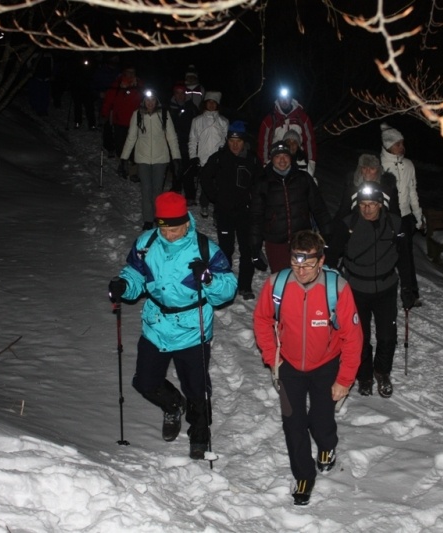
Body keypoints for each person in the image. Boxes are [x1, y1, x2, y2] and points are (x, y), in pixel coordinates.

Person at [107, 192, 238, 459]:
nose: (168, 235)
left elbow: (227, 291)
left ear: (186, 222)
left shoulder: (205, 249)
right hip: (156, 325)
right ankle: (173, 405)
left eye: (174, 229)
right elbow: (135, 273)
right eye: (164, 228)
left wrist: (209, 279)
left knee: (197, 389)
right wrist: (124, 285)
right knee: (145, 382)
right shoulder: (146, 243)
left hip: (192, 329)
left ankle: (199, 435)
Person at [253, 230, 363, 506]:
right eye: (295, 263)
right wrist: (272, 356)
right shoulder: (277, 285)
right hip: (288, 366)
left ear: (321, 260)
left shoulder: (337, 289)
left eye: (308, 265)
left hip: (326, 365)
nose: (300, 271)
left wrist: (345, 379)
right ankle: (303, 475)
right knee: (293, 422)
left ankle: (326, 445)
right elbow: (262, 320)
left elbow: (353, 337)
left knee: (321, 418)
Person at [326, 182, 415, 398]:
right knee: (360, 337)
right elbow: (331, 257)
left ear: (380, 204)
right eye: (363, 204)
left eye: (372, 204)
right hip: (356, 289)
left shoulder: (395, 224)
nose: (367, 209)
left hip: (386, 287)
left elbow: (405, 258)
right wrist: (329, 287)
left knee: (387, 336)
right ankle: (364, 376)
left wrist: (409, 288)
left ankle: (382, 372)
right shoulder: (348, 224)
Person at [199, 121, 262, 300]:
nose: (235, 145)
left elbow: (261, 184)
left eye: (238, 141)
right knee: (226, 249)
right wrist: (215, 197)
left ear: (244, 142)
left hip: (245, 213)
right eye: (231, 141)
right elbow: (205, 176)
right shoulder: (219, 158)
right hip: (225, 212)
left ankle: (245, 286)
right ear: (227, 141)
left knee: (247, 250)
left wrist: (255, 203)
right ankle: (224, 284)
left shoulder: (252, 159)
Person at [249, 141, 332, 273]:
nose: (282, 160)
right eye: (277, 156)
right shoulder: (263, 183)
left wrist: (327, 235)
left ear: (290, 158)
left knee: (303, 276)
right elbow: (256, 216)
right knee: (281, 279)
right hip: (276, 242)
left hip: (302, 240)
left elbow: (319, 208)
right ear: (272, 159)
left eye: (285, 156)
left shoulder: (304, 179)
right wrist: (255, 247)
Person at [120, 88, 181, 230]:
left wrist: (176, 158)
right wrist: (124, 158)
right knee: (146, 189)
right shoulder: (137, 115)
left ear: (157, 101)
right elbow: (131, 137)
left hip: (161, 158)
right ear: (143, 101)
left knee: (157, 191)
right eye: (147, 100)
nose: (150, 103)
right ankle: (148, 219)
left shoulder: (164, 114)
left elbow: (172, 137)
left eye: (153, 100)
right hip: (143, 158)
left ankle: (158, 217)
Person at [380, 123, 424, 307]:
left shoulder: (408, 165)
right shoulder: (380, 166)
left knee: (406, 256)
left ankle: (410, 294)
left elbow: (412, 191)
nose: (402, 147)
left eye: (402, 143)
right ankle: (381, 291)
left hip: (404, 217)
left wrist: (418, 216)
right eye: (398, 144)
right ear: (389, 145)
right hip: (385, 217)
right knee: (384, 254)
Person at [258, 87, 317, 176]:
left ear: (291, 98)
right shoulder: (270, 120)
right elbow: (263, 144)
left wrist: (311, 163)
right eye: (281, 98)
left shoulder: (302, 117)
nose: (284, 101)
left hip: (299, 160)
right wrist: (265, 163)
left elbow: (309, 141)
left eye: (287, 97)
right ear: (278, 98)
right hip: (278, 160)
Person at [188, 91, 228, 218]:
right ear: (205, 103)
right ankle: (204, 204)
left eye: (214, 102)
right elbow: (193, 140)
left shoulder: (223, 121)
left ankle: (218, 210)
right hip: (203, 158)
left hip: (218, 158)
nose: (211, 104)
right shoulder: (197, 120)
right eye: (209, 102)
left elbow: (225, 140)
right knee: (205, 183)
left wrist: (223, 154)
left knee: (219, 185)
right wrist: (193, 156)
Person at [100, 66, 143, 176]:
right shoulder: (117, 84)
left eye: (133, 72)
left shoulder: (139, 85)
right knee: (120, 144)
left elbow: (146, 101)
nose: (130, 74)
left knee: (134, 145)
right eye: (128, 72)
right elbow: (109, 100)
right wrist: (105, 113)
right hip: (119, 121)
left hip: (134, 121)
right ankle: (123, 164)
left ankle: (133, 168)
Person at [334, 153, 400, 221]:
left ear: (378, 170)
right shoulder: (352, 187)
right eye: (364, 168)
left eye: (372, 168)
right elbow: (343, 212)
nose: (367, 172)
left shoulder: (388, 187)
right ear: (360, 169)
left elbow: (395, 214)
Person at [168, 83, 200, 201]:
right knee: (175, 168)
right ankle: (176, 189)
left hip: (187, 143)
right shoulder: (169, 108)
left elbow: (197, 125)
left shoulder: (191, 107)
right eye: (177, 93)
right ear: (174, 94)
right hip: (173, 143)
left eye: (182, 93)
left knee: (187, 169)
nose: (180, 96)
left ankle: (190, 195)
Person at [67, 54, 97, 130]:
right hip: (77, 86)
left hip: (87, 87)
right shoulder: (74, 58)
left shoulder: (90, 58)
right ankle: (77, 121)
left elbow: (92, 71)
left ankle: (92, 124)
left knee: (89, 106)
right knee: (77, 105)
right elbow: (70, 72)